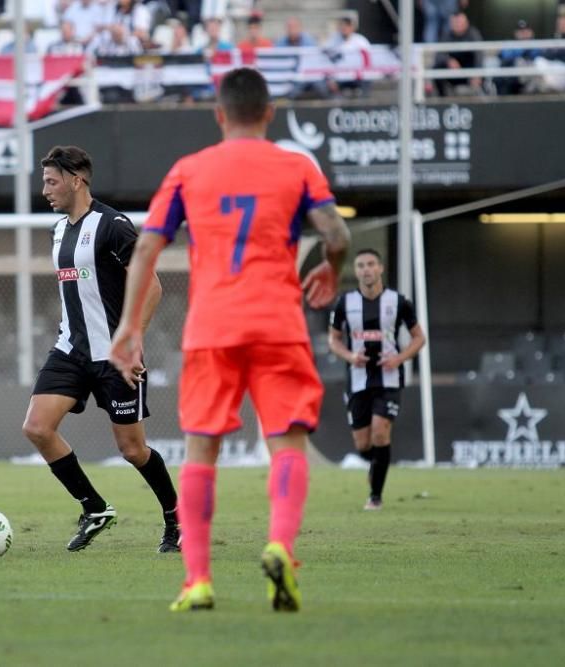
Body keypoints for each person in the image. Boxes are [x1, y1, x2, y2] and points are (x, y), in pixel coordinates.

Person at [110, 68, 350, 612]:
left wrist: (127, 326)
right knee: (286, 441)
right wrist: (332, 270)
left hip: (211, 327)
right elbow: (337, 234)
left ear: (219, 115)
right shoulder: (297, 166)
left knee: (201, 450)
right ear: (269, 113)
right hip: (278, 323)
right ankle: (280, 547)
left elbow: (147, 249)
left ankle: (198, 581)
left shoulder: (189, 170)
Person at [22, 145, 180, 554]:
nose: (45, 190)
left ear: (77, 180)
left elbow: (153, 286)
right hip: (70, 349)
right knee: (37, 427)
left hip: (115, 355)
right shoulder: (57, 231)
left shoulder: (113, 226)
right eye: (44, 182)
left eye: (51, 181)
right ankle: (94, 508)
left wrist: (131, 342)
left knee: (132, 449)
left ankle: (176, 519)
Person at [328, 249, 426, 510]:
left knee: (381, 432)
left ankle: (375, 496)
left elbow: (419, 338)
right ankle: (376, 464)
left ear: (380, 268)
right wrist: (350, 356)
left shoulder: (399, 302)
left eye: (371, 264)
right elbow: (334, 339)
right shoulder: (344, 303)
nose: (366, 270)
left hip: (389, 378)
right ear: (356, 271)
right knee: (363, 445)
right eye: (360, 265)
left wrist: (399, 358)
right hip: (358, 378)